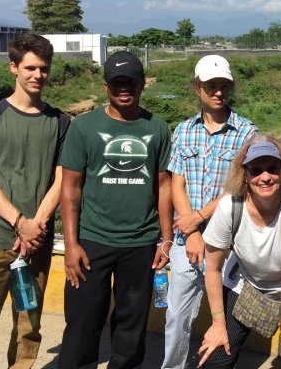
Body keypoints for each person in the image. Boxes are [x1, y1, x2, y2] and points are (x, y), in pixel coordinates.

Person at [0, 34, 70, 369]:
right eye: (30, 67)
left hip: (34, 246)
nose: (38, 75)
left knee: (28, 329)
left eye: (44, 68)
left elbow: (62, 179)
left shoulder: (60, 122)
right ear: (14, 67)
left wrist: (36, 226)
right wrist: (21, 223)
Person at [58, 51, 173, 369]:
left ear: (142, 84)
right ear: (106, 84)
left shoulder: (158, 128)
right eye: (116, 82)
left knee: (130, 330)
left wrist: (165, 239)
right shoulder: (84, 127)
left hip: (141, 243)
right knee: (82, 324)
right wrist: (71, 244)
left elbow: (163, 187)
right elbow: (70, 189)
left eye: (130, 82)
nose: (124, 89)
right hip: (92, 241)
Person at [198, 137, 281, 368]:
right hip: (245, 283)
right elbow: (213, 268)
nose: (265, 177)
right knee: (215, 357)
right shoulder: (230, 206)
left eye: (272, 168)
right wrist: (218, 324)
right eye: (256, 170)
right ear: (245, 174)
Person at [162, 55, 258, 369]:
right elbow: (177, 182)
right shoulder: (184, 130)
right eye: (211, 86)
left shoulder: (245, 132)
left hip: (227, 241)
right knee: (177, 317)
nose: (218, 92)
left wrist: (199, 219)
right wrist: (190, 231)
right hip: (185, 241)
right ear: (197, 88)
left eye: (224, 86)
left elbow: (241, 187)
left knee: (227, 319)